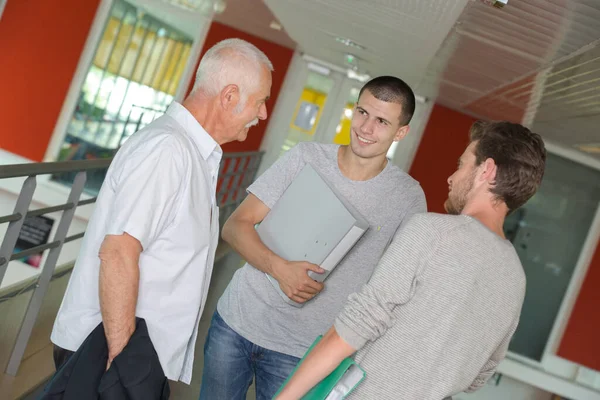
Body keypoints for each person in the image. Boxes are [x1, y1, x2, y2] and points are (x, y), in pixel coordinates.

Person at [50, 38, 273, 385]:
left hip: (130, 356)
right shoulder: (168, 150)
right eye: (259, 102)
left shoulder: (193, 154)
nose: (262, 114)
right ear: (229, 97)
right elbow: (119, 253)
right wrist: (125, 364)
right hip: (111, 357)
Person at [275, 120, 547, 400]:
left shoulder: (432, 232)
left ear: (486, 171)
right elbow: (480, 375)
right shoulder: (515, 277)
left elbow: (351, 330)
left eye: (462, 164)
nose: (451, 177)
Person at [199, 76, 427, 400]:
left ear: (400, 132)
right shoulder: (306, 156)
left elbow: (397, 289)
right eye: (362, 112)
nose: (365, 128)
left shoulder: (407, 198)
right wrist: (279, 269)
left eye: (381, 121)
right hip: (237, 322)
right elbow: (235, 226)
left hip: (305, 355)